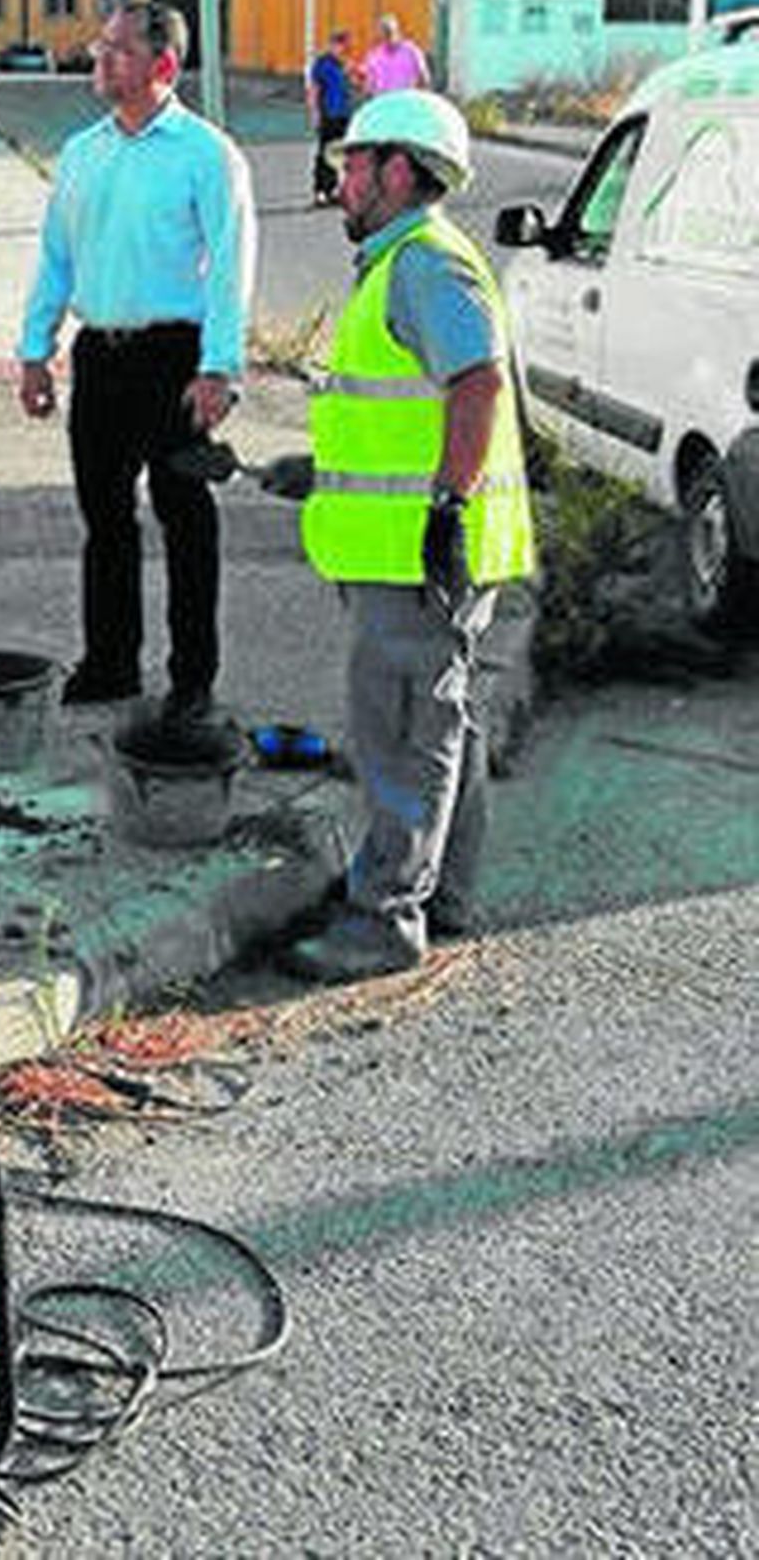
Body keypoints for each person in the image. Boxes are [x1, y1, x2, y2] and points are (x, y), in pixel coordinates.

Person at [259, 90, 535, 983]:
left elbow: (478, 383)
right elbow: (405, 411)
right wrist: (318, 469)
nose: (340, 179)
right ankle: (442, 892)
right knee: (444, 721)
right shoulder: (399, 264)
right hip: (407, 545)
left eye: (354, 164)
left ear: (400, 171)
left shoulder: (425, 264)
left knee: (406, 731)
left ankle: (386, 918)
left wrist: (447, 509)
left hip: (420, 554)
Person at [16, 0, 257, 720]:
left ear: (164, 65)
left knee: (186, 519)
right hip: (100, 356)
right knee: (105, 518)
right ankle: (112, 663)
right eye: (101, 45)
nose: (100, 57)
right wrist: (35, 350)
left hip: (175, 358)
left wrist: (220, 368)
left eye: (118, 49)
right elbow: (56, 258)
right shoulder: (82, 152)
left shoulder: (207, 154)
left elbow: (231, 268)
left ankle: (192, 678)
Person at [305, 27, 355, 204]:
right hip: (329, 114)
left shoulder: (346, 64)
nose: (342, 49)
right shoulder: (322, 64)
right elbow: (314, 90)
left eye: (345, 46)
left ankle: (333, 188)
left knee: (339, 153)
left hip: (344, 114)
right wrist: (314, 113)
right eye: (340, 45)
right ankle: (320, 190)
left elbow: (353, 86)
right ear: (333, 45)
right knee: (324, 152)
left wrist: (354, 76)